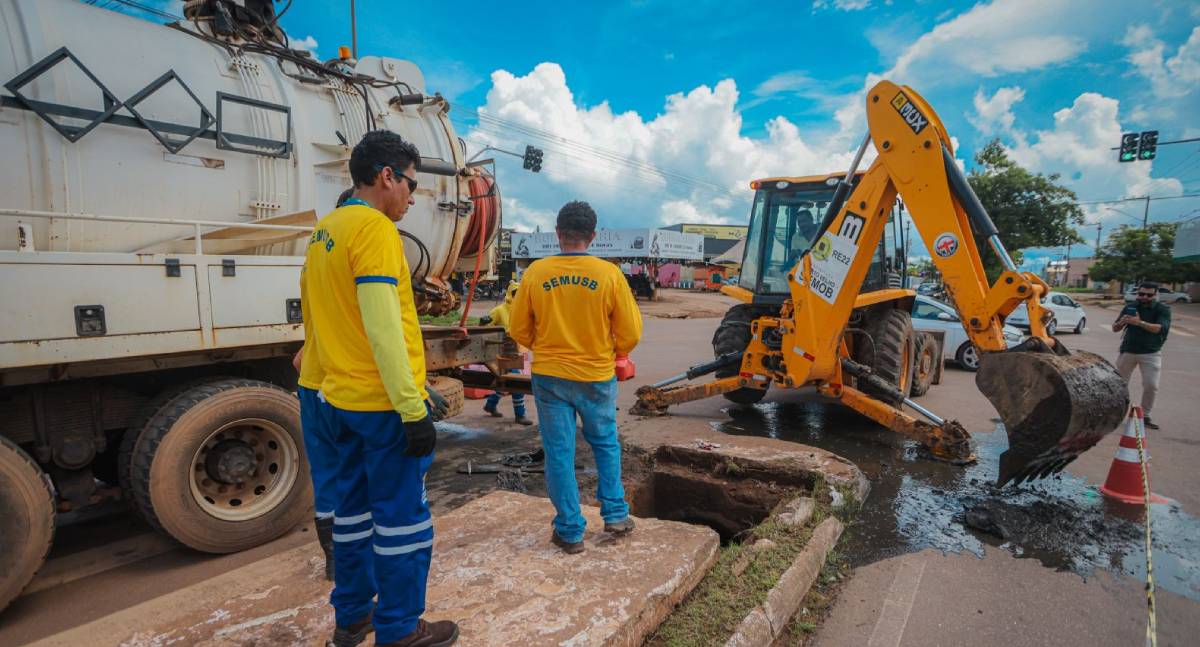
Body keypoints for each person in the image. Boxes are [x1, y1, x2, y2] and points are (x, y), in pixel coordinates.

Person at [303, 130, 458, 647]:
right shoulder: (374, 230)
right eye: (411, 185)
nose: (413, 198)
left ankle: (351, 618)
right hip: (380, 406)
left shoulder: (327, 230)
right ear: (386, 176)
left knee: (350, 517)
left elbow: (320, 322)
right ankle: (398, 628)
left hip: (336, 399)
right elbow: (382, 325)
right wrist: (412, 407)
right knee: (402, 522)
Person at [508, 201, 643, 554]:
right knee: (605, 444)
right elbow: (630, 334)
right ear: (593, 236)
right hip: (597, 376)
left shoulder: (536, 273)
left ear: (558, 233)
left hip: (550, 376)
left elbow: (519, 330)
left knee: (559, 453)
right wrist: (610, 349)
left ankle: (569, 531)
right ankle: (615, 514)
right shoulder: (609, 275)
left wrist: (547, 343)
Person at [1112, 281, 1172, 430]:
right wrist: (1122, 322)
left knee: (1151, 385)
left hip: (1150, 353)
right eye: (1141, 294)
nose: (1144, 297)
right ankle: (1115, 414)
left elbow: (1159, 329)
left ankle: (1145, 415)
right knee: (1119, 385)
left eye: (1148, 295)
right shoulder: (1131, 307)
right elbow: (1114, 328)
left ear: (1155, 295)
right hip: (1128, 351)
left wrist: (1139, 323)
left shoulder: (1162, 309)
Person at [481, 283, 533, 425]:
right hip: (500, 352)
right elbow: (484, 329)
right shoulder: (499, 310)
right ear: (511, 294)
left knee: (505, 382)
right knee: (516, 383)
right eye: (516, 293)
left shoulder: (523, 311)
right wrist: (483, 323)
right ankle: (520, 415)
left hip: (515, 352)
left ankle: (490, 405)